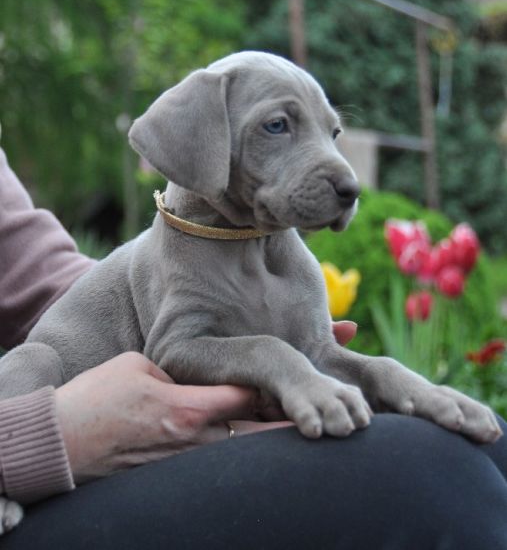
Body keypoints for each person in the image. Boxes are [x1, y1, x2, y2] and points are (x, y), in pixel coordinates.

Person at [1, 143, 507, 549]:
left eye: (328, 134)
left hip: (115, 443)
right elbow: (165, 345)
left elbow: (34, 278)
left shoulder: (279, 251)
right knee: (427, 472)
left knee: (488, 444)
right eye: (278, 125)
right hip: (35, 473)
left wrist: (225, 300)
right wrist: (43, 441)